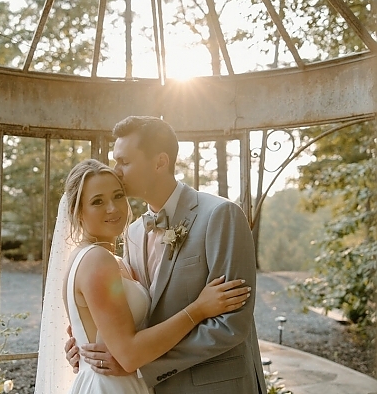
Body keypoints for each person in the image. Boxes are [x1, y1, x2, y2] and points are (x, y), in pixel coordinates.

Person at [65, 116, 267, 394]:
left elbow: (231, 324)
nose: (116, 171)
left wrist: (141, 365)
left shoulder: (220, 216)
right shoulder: (133, 232)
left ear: (160, 162)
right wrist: (88, 340)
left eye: (124, 161)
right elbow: (137, 315)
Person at [34, 159, 251, 393]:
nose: (112, 208)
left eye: (118, 196)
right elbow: (129, 355)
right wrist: (199, 309)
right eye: (97, 201)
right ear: (77, 212)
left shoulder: (117, 255)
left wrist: (83, 339)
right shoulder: (97, 260)